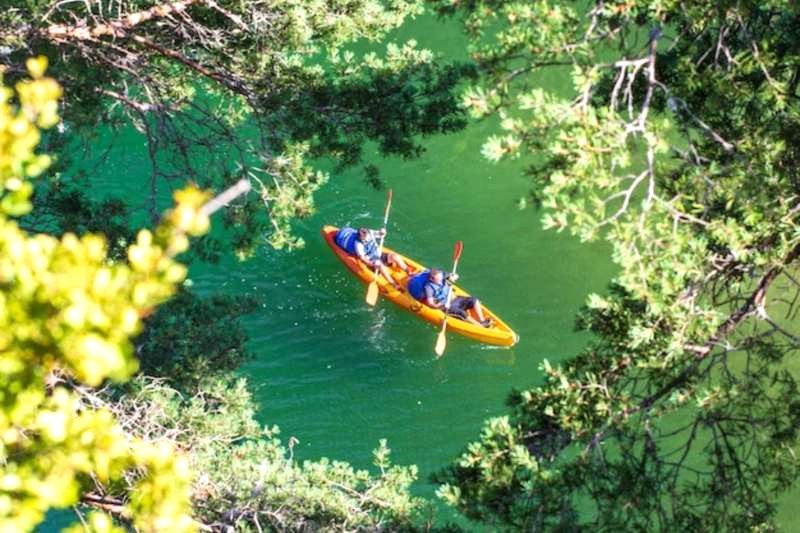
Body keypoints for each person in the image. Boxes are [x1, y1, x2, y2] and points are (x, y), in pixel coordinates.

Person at [407, 268, 493, 327]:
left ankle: (482, 321)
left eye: (442, 278)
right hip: (446, 306)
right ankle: (480, 327)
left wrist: (454, 277)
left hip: (454, 299)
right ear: (432, 279)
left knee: (474, 300)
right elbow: (430, 303)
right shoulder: (428, 287)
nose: (441, 280)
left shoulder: (442, 276)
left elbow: (454, 275)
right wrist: (437, 306)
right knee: (461, 313)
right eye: (439, 279)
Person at [335, 226, 413, 289]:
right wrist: (372, 264)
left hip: (379, 255)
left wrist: (382, 232)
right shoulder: (358, 244)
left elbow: (380, 234)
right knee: (380, 265)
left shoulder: (370, 233)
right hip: (371, 261)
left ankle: (407, 270)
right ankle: (393, 283)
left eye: (366, 238)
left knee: (394, 256)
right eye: (363, 239)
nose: (365, 240)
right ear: (359, 238)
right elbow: (363, 258)